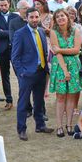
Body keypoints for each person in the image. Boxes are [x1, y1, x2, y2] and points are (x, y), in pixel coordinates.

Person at [11, 8, 54, 140]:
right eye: (32, 17)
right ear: (27, 18)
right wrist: (22, 73)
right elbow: (15, 56)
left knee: (39, 101)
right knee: (23, 102)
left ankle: (40, 125)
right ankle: (21, 129)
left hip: (41, 72)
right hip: (27, 74)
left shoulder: (41, 31)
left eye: (36, 17)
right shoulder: (20, 33)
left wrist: (45, 68)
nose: (35, 20)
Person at [49, 8, 82, 137]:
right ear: (55, 20)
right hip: (60, 67)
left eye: (62, 16)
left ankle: (69, 124)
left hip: (74, 66)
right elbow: (56, 53)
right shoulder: (53, 32)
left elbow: (76, 50)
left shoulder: (76, 30)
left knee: (71, 96)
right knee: (60, 97)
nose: (60, 18)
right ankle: (59, 126)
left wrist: (60, 50)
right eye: (57, 17)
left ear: (67, 17)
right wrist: (65, 71)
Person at [0, 0, 19, 110]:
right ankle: (9, 100)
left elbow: (18, 32)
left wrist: (5, 32)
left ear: (9, 4)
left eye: (5, 5)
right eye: (1, 5)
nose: (3, 7)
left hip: (15, 49)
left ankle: (24, 101)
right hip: (1, 50)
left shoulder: (15, 16)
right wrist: (11, 32)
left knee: (20, 74)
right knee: (5, 76)